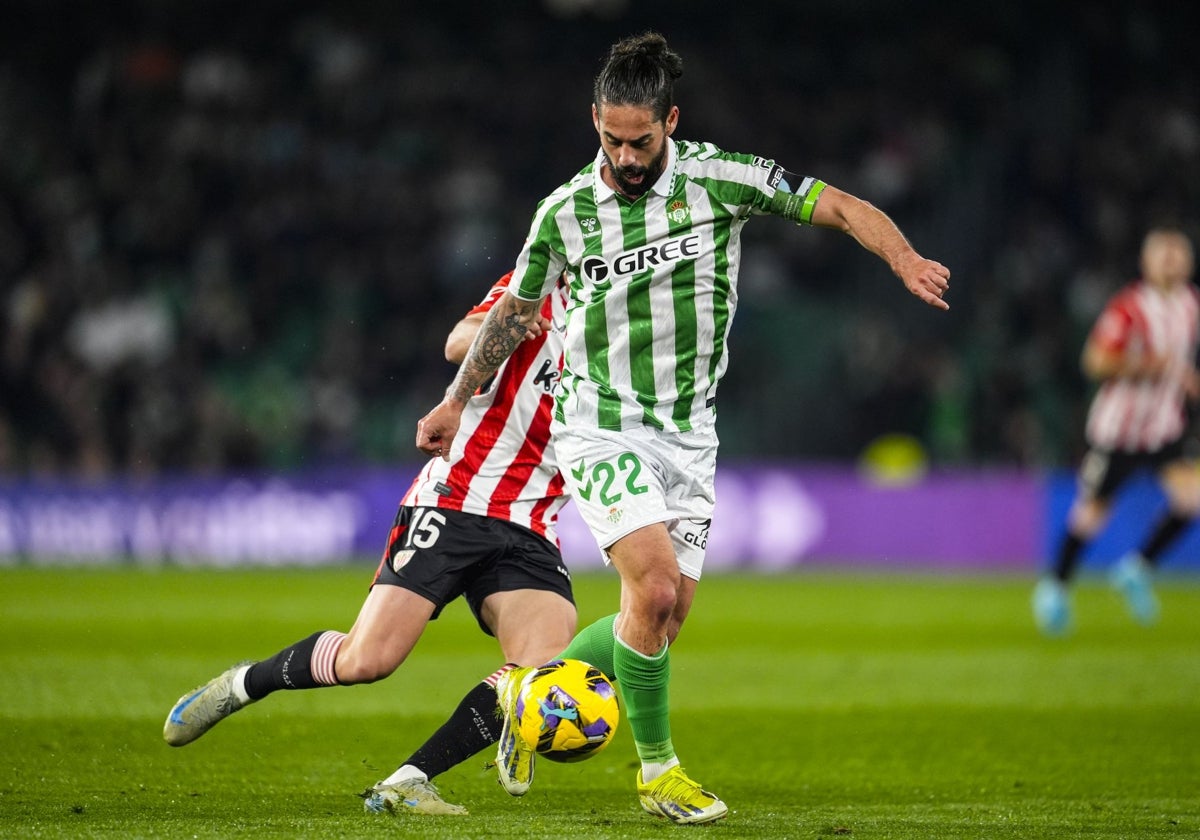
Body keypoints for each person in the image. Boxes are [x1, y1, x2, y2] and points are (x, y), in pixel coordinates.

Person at [414, 32, 951, 825]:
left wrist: (900, 257)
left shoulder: (721, 179)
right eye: (610, 139)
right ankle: (658, 772)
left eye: (641, 140)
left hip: (688, 435)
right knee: (654, 585)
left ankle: (530, 689)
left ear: (671, 119)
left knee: (661, 619)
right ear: (594, 119)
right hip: (597, 423)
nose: (626, 157)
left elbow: (835, 204)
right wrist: (459, 400)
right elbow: (515, 314)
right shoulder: (564, 214)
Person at [164, 272, 574, 816]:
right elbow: (457, 342)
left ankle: (408, 780)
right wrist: (507, 327)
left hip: (534, 519)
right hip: (457, 498)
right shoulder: (537, 285)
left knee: (542, 668)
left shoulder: (631, 327)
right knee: (367, 660)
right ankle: (243, 684)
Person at [1033, 227, 1200, 636]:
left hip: (1163, 429)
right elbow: (1095, 361)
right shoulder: (1129, 308)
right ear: (1145, 262)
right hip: (1118, 432)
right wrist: (1148, 365)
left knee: (1192, 498)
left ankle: (1136, 569)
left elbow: (1178, 362)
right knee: (1092, 514)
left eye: (1178, 253)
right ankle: (1055, 588)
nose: (1171, 260)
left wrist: (1183, 378)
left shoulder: (1191, 305)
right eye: (1163, 254)